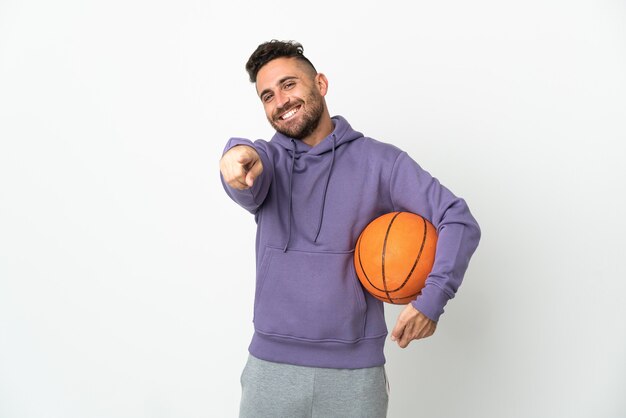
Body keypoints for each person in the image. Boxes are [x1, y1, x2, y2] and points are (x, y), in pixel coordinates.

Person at [219, 40, 481, 418]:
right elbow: (243, 164)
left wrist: (433, 298)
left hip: (354, 374)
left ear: (320, 84)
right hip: (270, 369)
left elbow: (457, 218)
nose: (280, 100)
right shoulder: (265, 162)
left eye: (289, 84)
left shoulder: (381, 162)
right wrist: (233, 154)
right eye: (267, 95)